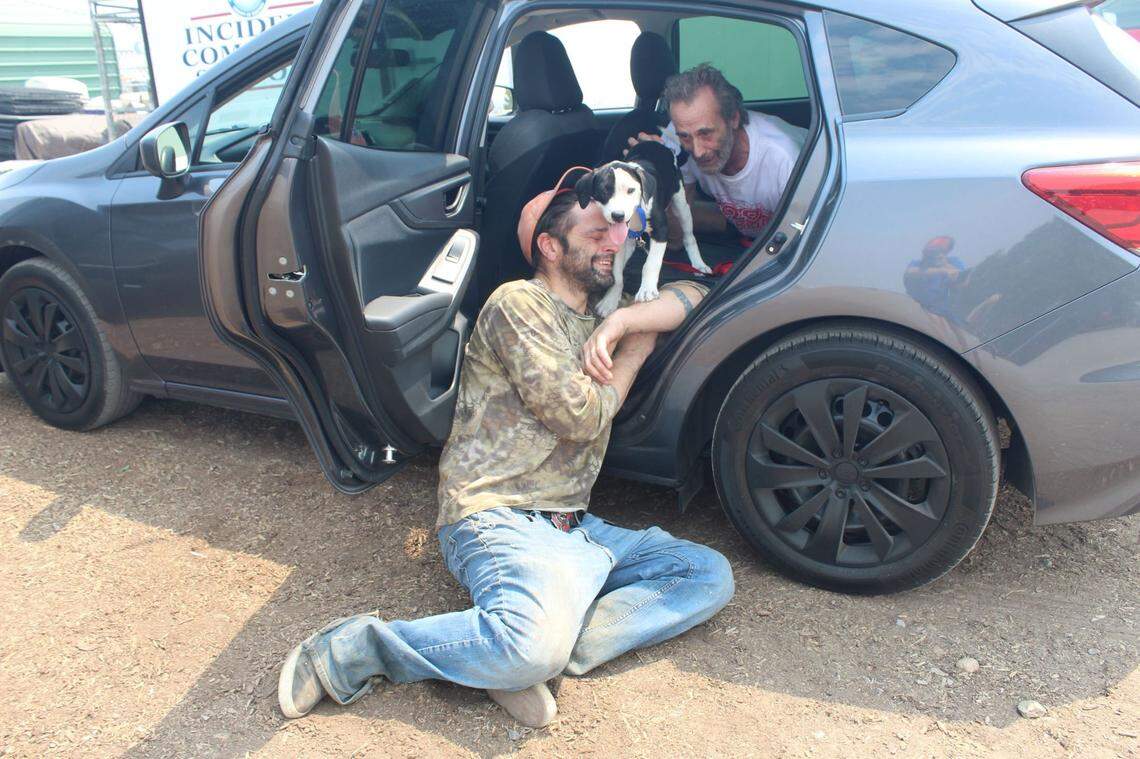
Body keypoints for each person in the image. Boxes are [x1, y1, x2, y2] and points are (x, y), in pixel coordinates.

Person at [276, 168, 735, 728]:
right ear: (549, 245)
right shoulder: (518, 305)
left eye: (617, 233)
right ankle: (354, 650)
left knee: (705, 574)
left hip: (574, 529)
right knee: (530, 646)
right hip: (497, 515)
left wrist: (623, 321)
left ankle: (516, 657)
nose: (615, 240)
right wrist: (635, 350)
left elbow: (695, 291)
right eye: (595, 233)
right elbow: (582, 417)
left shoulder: (595, 318)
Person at [631, 63, 806, 244]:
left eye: (705, 133)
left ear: (733, 119)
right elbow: (676, 239)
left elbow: (806, 247)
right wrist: (662, 178)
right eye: (685, 136)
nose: (697, 152)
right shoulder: (679, 141)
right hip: (743, 232)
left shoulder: (785, 159)